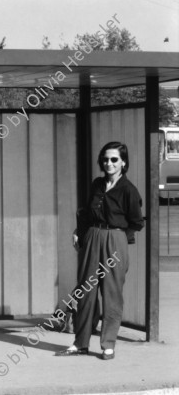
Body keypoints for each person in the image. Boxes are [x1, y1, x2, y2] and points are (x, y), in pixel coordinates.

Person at [56, 141, 144, 360]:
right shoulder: (97, 184)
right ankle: (81, 343)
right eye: (105, 159)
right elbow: (86, 212)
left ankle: (108, 344)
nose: (109, 163)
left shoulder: (129, 190)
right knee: (85, 291)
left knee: (112, 293)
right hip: (92, 237)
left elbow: (136, 222)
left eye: (114, 159)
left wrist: (119, 237)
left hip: (115, 239)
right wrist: (80, 231)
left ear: (123, 162)